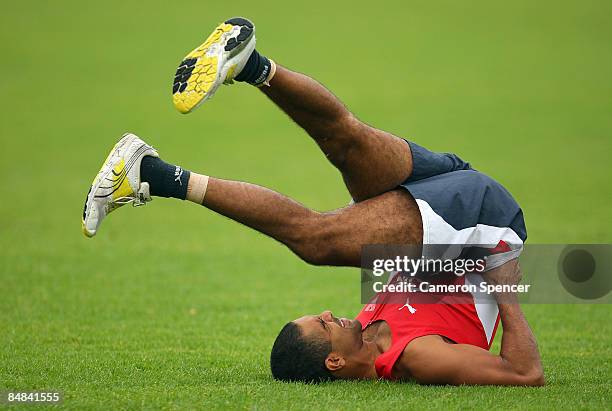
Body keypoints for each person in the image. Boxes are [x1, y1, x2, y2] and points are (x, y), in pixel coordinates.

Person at [81, 17, 544, 386]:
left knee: (346, 142)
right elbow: (524, 374)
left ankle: (252, 65)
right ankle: (153, 175)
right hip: (482, 224)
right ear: (336, 362)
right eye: (323, 326)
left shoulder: (368, 323)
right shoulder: (418, 358)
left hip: (450, 200)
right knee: (316, 241)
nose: (327, 313)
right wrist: (505, 287)